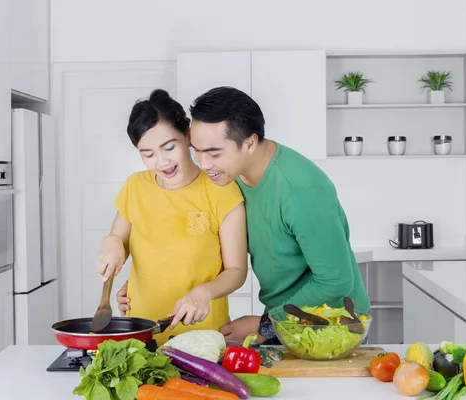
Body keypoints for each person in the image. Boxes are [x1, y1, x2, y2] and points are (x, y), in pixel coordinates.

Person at [186, 86, 370, 344]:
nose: (203, 164)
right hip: (287, 316)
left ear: (249, 143)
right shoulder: (232, 175)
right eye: (196, 150)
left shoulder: (300, 191)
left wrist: (267, 325)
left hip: (333, 323)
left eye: (214, 153)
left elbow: (335, 281)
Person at [97, 89, 248, 345]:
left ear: (187, 137)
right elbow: (118, 237)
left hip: (201, 333)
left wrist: (203, 293)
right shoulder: (135, 186)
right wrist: (111, 242)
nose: (162, 161)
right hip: (140, 332)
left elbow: (236, 270)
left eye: (169, 147)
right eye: (148, 154)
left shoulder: (221, 190)